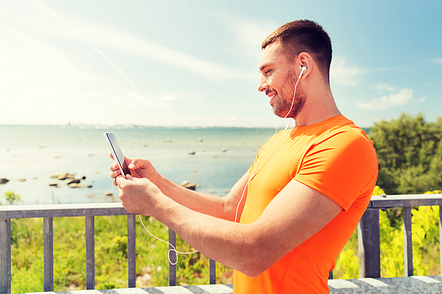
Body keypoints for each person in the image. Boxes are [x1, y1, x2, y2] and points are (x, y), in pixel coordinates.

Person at [110, 20, 379, 294]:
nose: (261, 85)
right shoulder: (278, 140)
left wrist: (155, 205)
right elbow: (229, 210)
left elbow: (256, 252)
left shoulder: (346, 144)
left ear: (304, 66)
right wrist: (157, 184)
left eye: (268, 71)